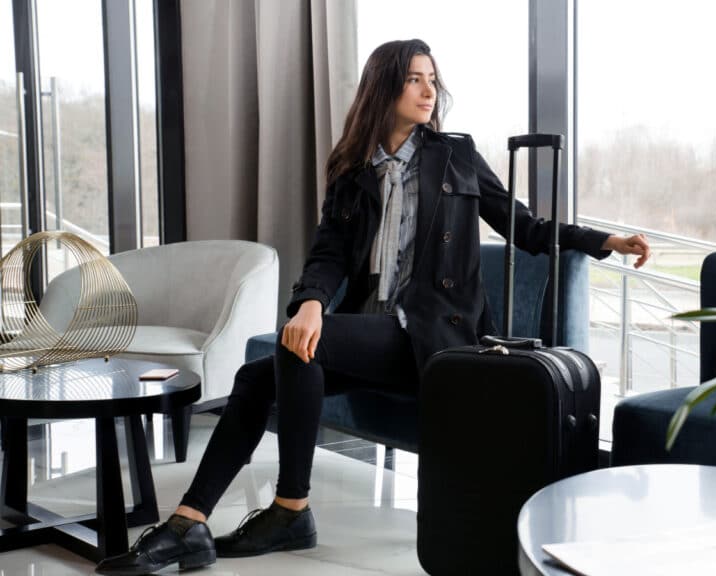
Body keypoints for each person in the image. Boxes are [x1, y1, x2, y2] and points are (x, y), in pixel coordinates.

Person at [96, 38, 649, 575]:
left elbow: (524, 226)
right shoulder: (352, 169)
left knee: (297, 351)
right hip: (377, 332)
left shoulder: (454, 155)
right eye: (414, 78)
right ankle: (189, 523)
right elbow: (327, 255)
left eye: (432, 79)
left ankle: (291, 508)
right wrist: (310, 304)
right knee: (255, 377)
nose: (428, 90)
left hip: (439, 339)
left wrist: (604, 242)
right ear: (384, 87)